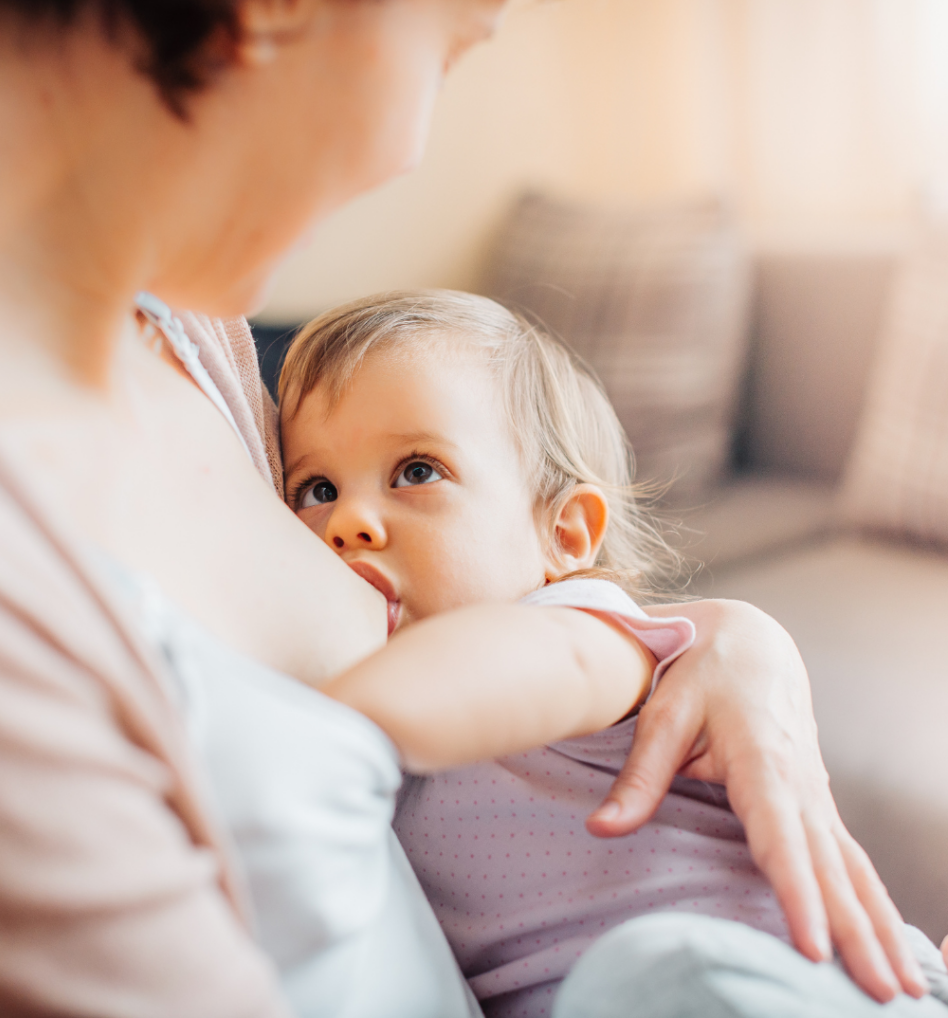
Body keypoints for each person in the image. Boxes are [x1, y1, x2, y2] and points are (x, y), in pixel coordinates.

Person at [0, 0, 929, 1012]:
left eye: (415, 472)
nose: (346, 521)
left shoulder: (205, 352)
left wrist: (732, 641)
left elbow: (505, 669)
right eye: (452, 44)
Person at [275, 289, 948, 1017]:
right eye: (315, 488)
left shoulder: (586, 632)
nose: (348, 522)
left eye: (415, 471)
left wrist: (308, 720)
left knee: (651, 972)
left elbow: (479, 680)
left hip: (813, 980)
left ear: (564, 535)